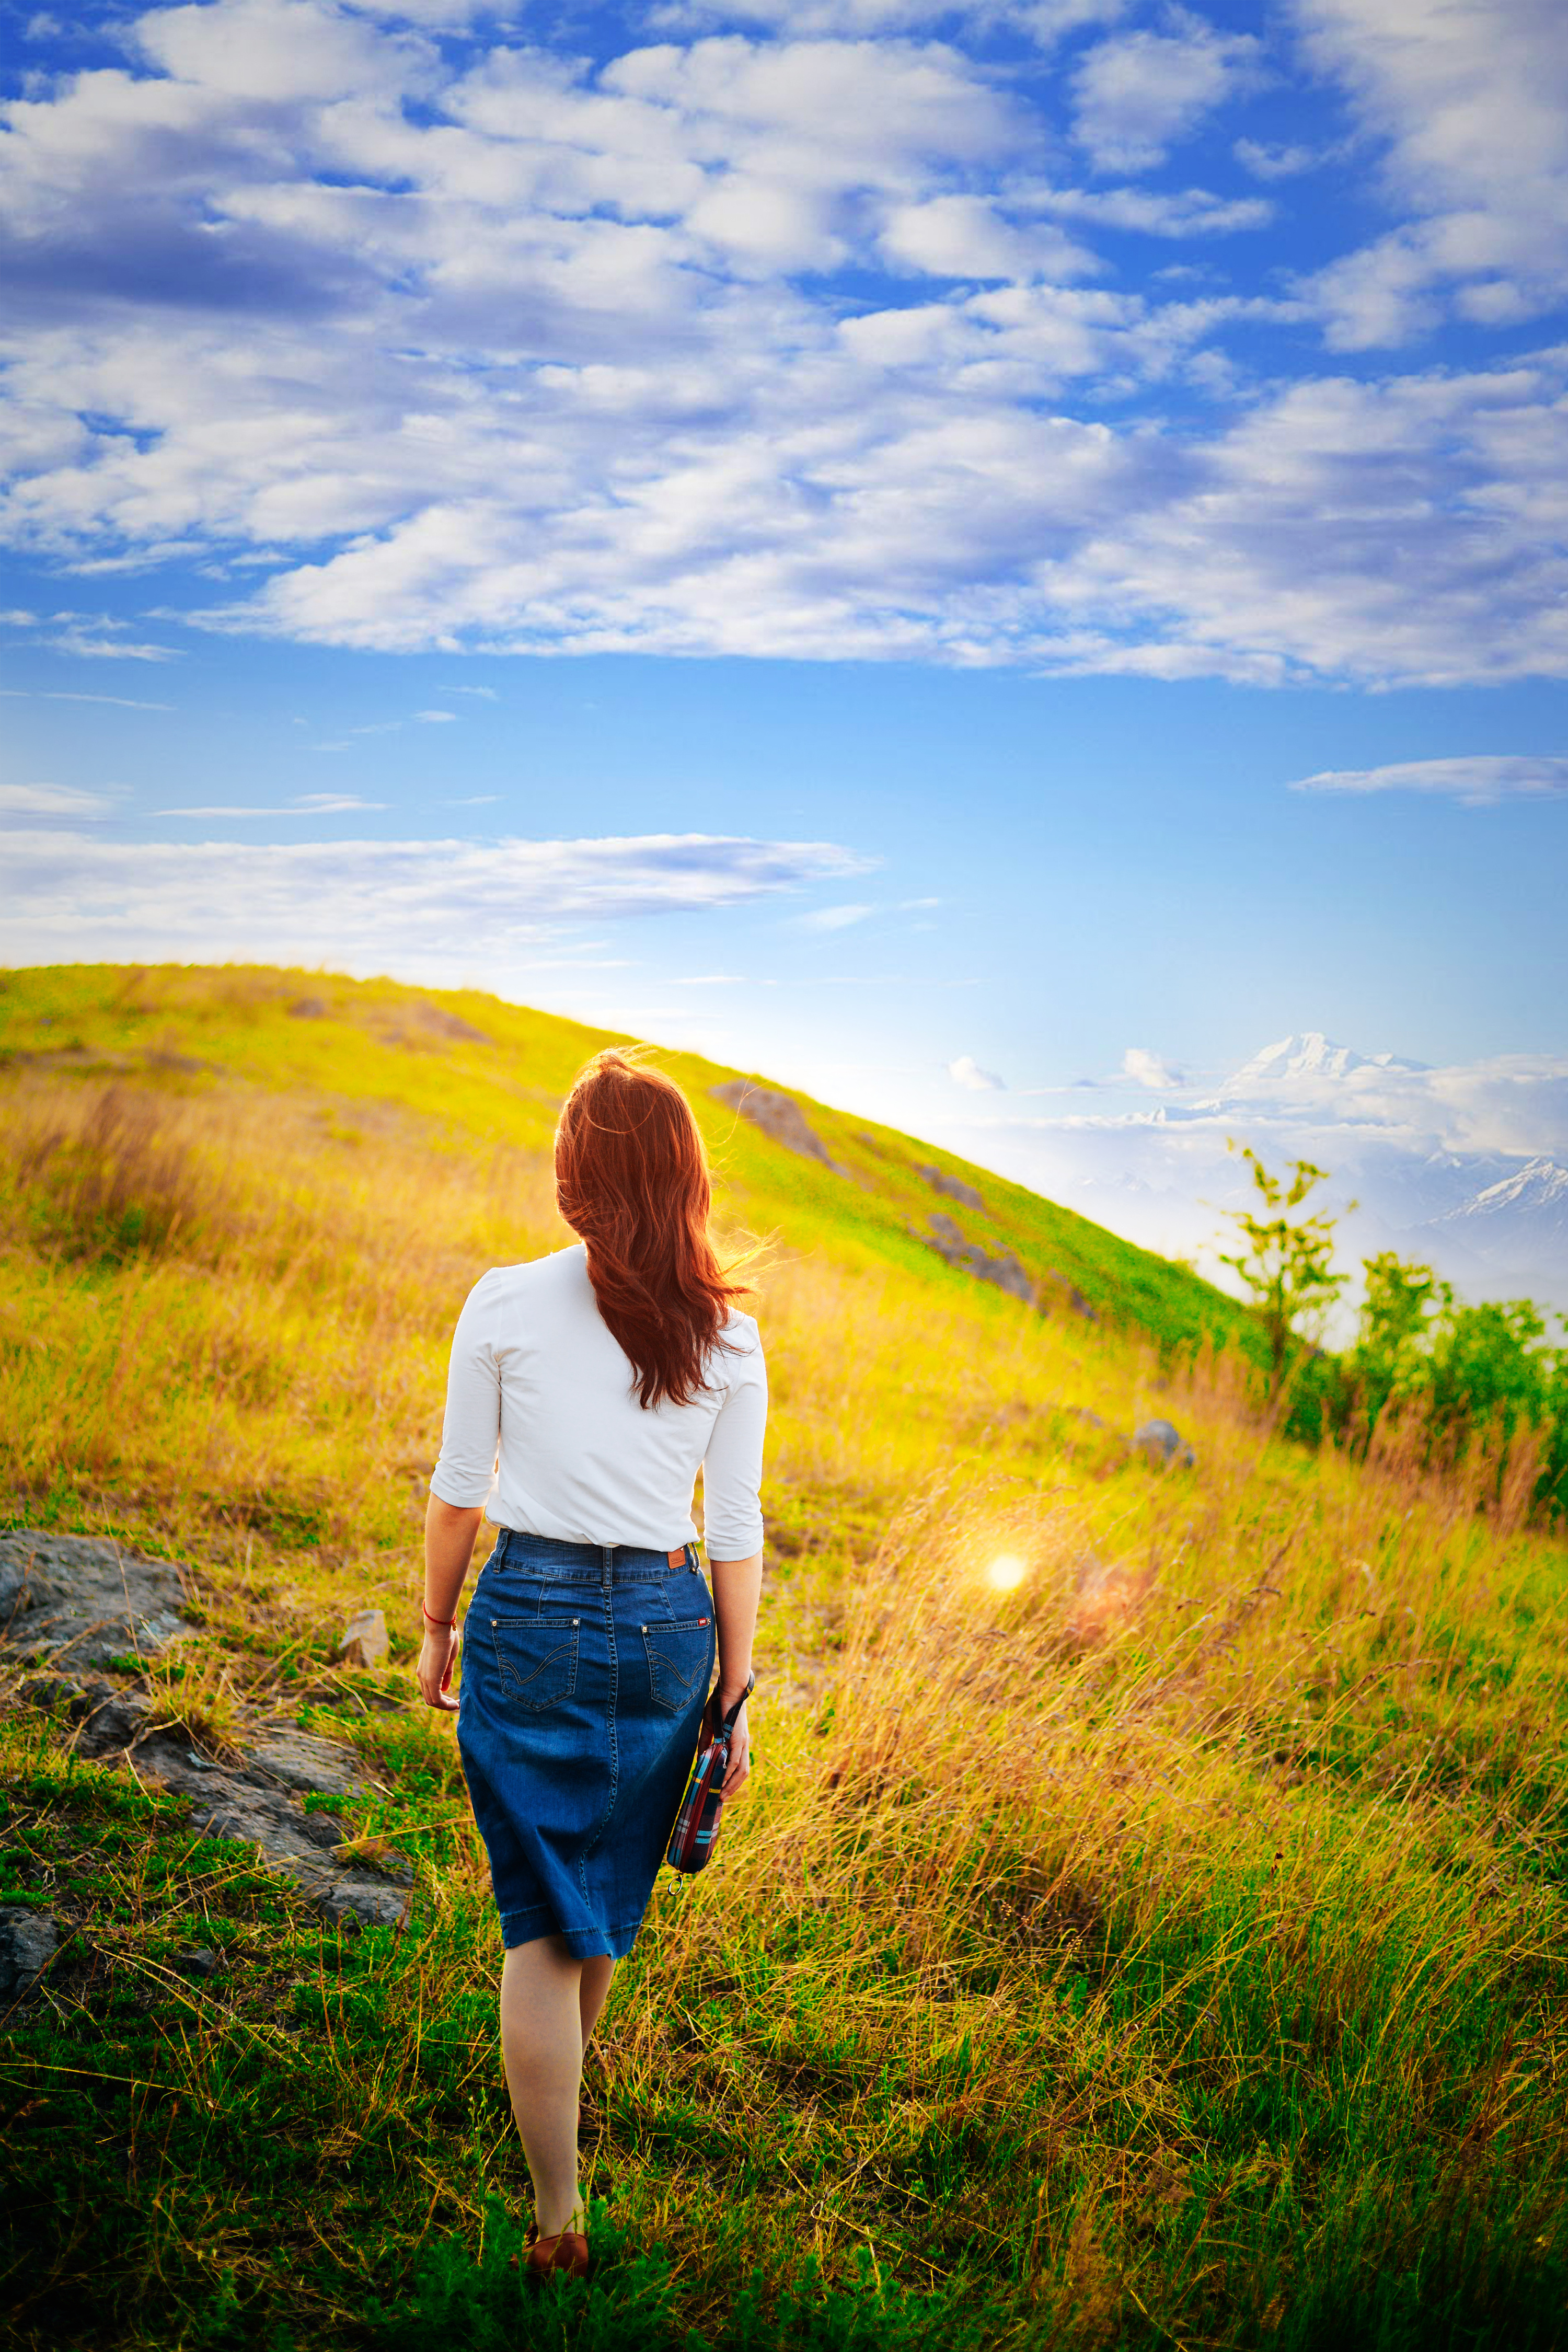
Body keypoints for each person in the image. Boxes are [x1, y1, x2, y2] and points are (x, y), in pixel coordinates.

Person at [416, 1048, 766, 2282]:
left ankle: (556, 2213)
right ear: (684, 1180)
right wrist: (733, 1679)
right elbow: (734, 1527)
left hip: (532, 1613)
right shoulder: (729, 1332)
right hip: (670, 1631)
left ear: (575, 1177)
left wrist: (436, 1623)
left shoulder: (504, 1301)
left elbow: (462, 1495)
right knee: (604, 1895)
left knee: (540, 1929)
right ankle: (557, 2106)